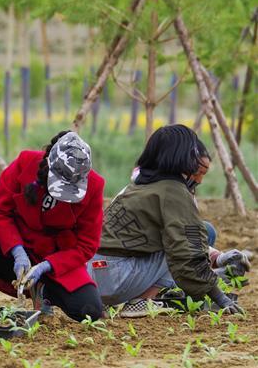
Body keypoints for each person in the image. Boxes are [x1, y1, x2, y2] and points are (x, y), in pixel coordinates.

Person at [88, 124, 246, 317]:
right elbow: (187, 252)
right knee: (180, 246)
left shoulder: (140, 185)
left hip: (93, 275)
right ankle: (141, 302)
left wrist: (218, 259)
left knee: (192, 236)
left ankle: (151, 295)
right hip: (114, 279)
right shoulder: (173, 191)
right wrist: (221, 299)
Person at [0, 130, 105, 322]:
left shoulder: (94, 186)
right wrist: (17, 252)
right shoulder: (25, 163)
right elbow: (1, 213)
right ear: (49, 166)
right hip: (17, 242)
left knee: (89, 310)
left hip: (57, 254)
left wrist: (48, 265)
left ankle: (44, 290)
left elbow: (87, 245)